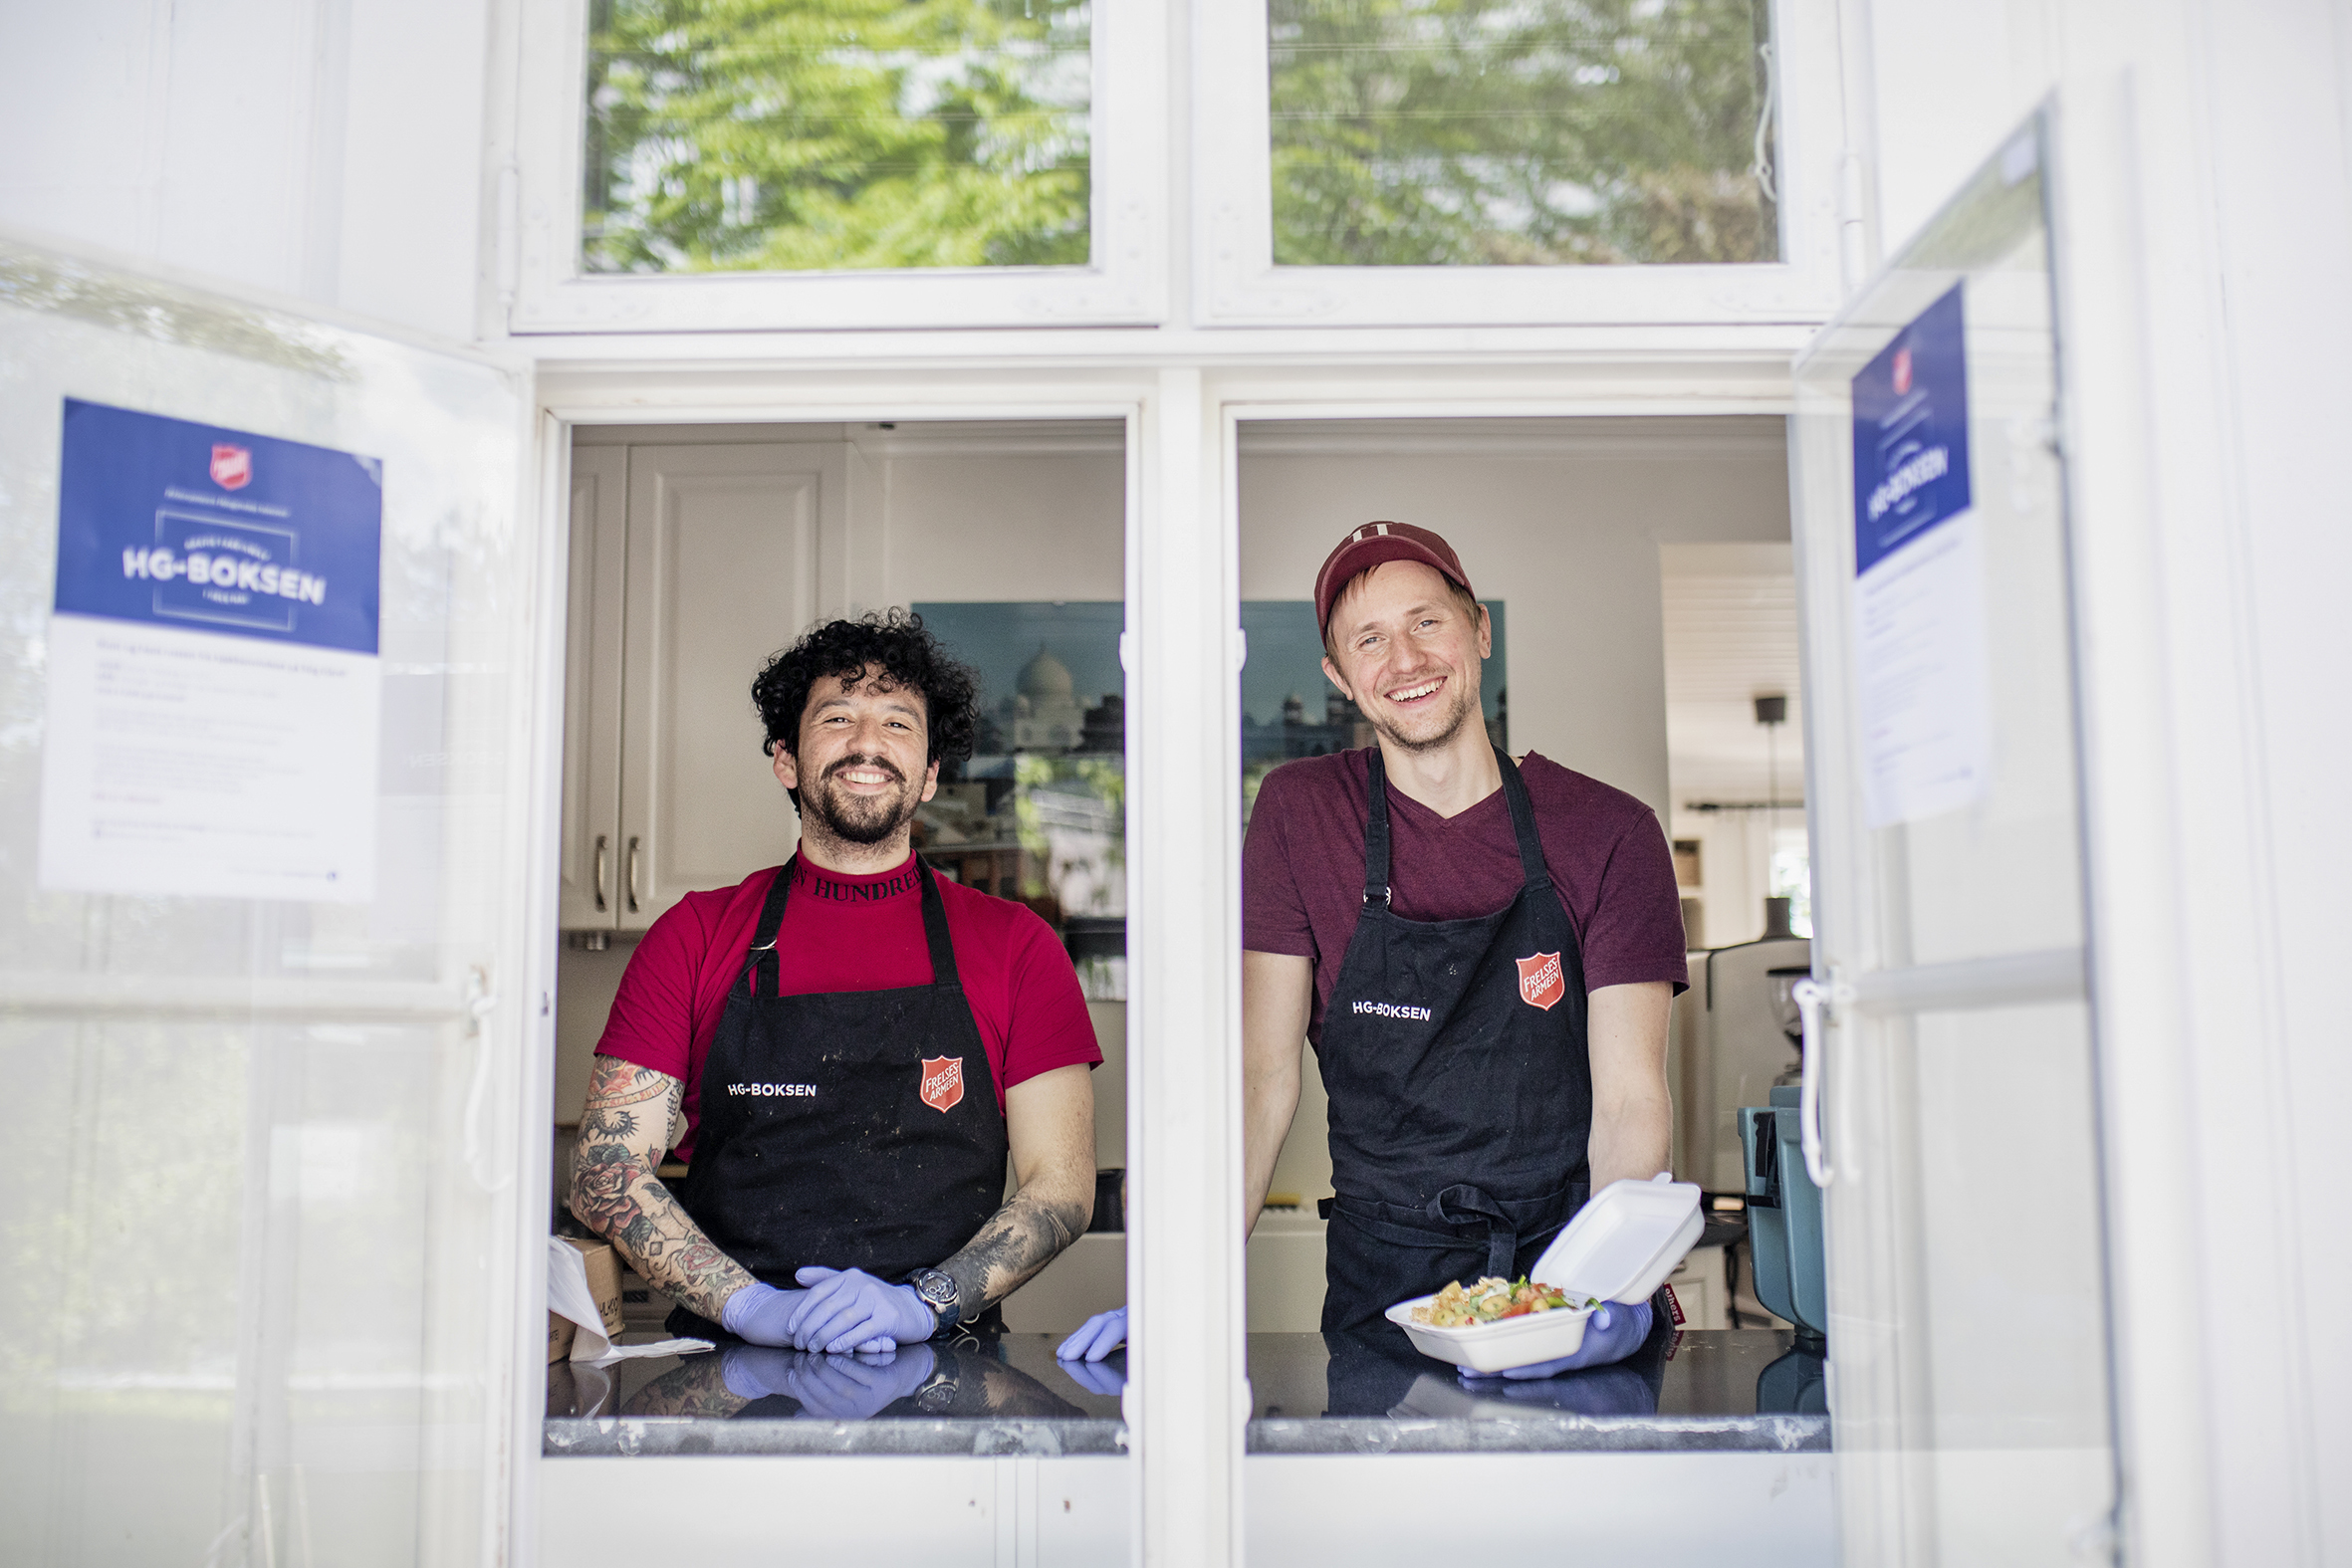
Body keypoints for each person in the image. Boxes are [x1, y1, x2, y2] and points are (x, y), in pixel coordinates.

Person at [1060, 523, 1684, 1380]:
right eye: (1369, 639)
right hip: (1383, 1285)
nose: (1405, 659)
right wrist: (1181, 1283)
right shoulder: (1300, 814)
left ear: (1479, 630)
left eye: (1427, 622)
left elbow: (1629, 1100)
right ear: (1339, 675)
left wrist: (1606, 1287)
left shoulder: (1610, 831)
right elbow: (1260, 1078)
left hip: (1564, 1267)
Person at [570, 610, 1101, 1356]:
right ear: (786, 759)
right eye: (838, 717)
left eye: (898, 723)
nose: (867, 742)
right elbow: (605, 1168)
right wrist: (750, 1306)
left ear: (931, 772)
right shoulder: (693, 935)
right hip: (729, 1366)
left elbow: (1062, 1188)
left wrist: (922, 1304)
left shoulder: (1017, 947)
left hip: (947, 1368)